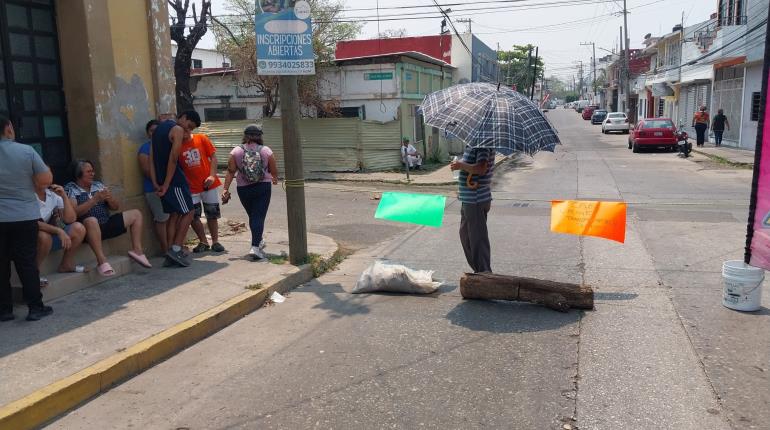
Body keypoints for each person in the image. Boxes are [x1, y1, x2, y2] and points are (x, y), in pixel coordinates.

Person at [0, 116, 54, 321]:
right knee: (27, 263)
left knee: (1, 264)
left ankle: (4, 310)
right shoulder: (26, 151)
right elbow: (46, 180)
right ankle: (35, 307)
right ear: (8, 129)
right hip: (23, 215)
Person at [65, 160, 152, 276]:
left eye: (93, 171)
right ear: (78, 174)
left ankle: (137, 251)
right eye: (88, 171)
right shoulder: (71, 189)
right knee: (91, 220)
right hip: (87, 230)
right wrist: (94, 200)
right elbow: (74, 213)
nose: (93, 174)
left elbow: (116, 207)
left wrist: (110, 198)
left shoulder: (98, 185)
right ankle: (102, 261)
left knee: (136, 214)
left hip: (105, 224)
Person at [222, 124, 278, 261]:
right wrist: (274, 178)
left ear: (245, 136)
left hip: (243, 188)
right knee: (258, 217)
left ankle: (258, 241)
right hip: (262, 187)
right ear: (260, 136)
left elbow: (230, 171)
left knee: (253, 216)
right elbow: (273, 170)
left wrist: (225, 189)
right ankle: (255, 247)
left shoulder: (236, 151)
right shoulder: (266, 151)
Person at [150, 111, 199, 267]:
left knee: (175, 214)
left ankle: (170, 253)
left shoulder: (158, 130)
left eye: (191, 129)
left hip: (160, 179)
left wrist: (155, 181)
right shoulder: (177, 130)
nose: (188, 130)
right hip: (174, 180)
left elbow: (151, 157)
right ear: (183, 118)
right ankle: (176, 248)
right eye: (189, 126)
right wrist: (166, 184)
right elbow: (173, 158)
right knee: (189, 211)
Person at [450, 145, 496, 273]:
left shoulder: (482, 144)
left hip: (476, 199)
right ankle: (480, 271)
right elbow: (472, 169)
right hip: (469, 198)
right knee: (466, 236)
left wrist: (461, 165)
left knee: (477, 239)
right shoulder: (474, 144)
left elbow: (481, 168)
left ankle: (484, 274)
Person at [36, 177, 87, 288]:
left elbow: (71, 219)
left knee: (78, 228)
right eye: (44, 175)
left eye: (49, 175)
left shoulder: (52, 195)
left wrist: (63, 196)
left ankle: (66, 264)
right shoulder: (27, 196)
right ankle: (34, 273)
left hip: (50, 236)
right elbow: (33, 223)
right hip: (30, 238)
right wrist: (58, 230)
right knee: (44, 236)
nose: (47, 179)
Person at [179, 130, 225, 253]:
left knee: (212, 213)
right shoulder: (177, 146)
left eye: (185, 128)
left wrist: (212, 176)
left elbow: (213, 157)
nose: (183, 132)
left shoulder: (201, 138)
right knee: (193, 216)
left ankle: (215, 241)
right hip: (190, 187)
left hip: (208, 184)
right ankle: (203, 241)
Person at [138, 119, 171, 252]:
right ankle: (165, 248)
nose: (154, 133)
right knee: (162, 218)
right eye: (152, 131)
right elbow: (146, 171)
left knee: (170, 218)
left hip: (168, 188)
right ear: (148, 134)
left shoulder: (167, 146)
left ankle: (172, 246)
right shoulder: (145, 149)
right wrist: (160, 184)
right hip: (154, 189)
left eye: (157, 130)